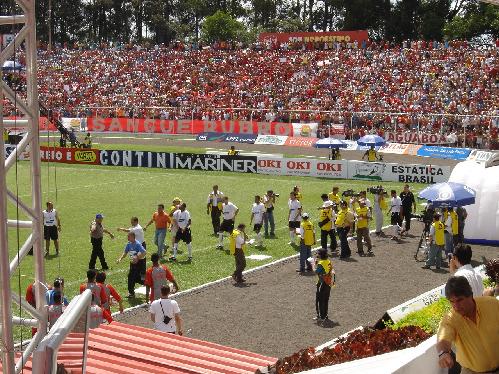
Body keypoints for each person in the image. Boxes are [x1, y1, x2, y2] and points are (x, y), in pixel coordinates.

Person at [436, 276, 499, 373]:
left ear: (470, 295)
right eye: (452, 302)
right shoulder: (450, 319)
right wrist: (443, 353)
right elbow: (443, 338)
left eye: (459, 300)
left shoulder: (492, 304)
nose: (456, 306)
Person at [116, 232, 147, 298]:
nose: (127, 238)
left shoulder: (138, 244)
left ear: (133, 237)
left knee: (133, 277)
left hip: (139, 263)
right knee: (133, 277)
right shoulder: (129, 244)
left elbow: (144, 252)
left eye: (128, 237)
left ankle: (133, 292)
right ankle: (145, 284)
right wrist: (120, 258)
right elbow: (125, 252)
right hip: (132, 264)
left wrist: (137, 257)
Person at [315, 248, 335, 325]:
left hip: (322, 283)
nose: (316, 255)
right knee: (325, 300)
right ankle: (325, 316)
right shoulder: (328, 261)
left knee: (320, 300)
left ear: (320, 255)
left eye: (317, 253)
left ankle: (321, 317)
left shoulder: (320, 263)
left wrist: (314, 264)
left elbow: (316, 271)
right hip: (328, 283)